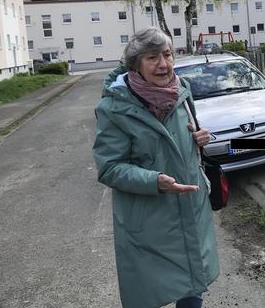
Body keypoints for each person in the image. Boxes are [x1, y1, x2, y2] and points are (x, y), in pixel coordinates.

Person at [92, 27, 219, 308]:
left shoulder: (182, 92)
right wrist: (154, 180)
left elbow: (185, 138)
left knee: (192, 286)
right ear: (135, 65)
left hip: (189, 208)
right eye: (152, 57)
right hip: (149, 220)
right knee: (149, 292)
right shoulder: (113, 108)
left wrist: (198, 138)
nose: (163, 64)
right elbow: (109, 167)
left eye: (168, 55)